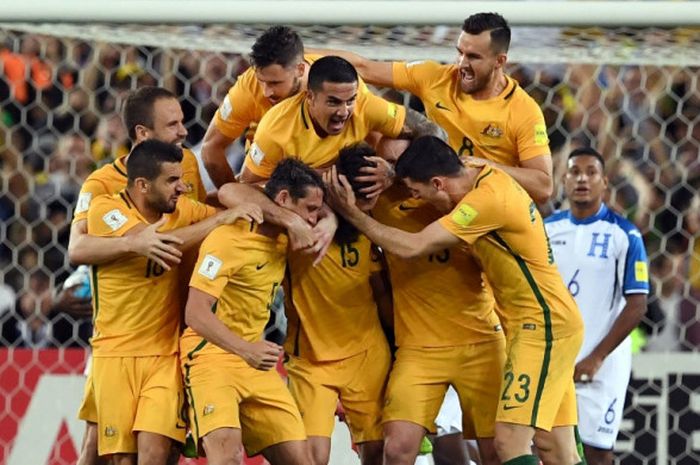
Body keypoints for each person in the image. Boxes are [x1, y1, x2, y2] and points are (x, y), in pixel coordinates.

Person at [325, 136, 584, 465]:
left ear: (437, 182)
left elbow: (414, 246)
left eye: (419, 192)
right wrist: (394, 174)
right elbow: (460, 163)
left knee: (508, 443)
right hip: (543, 323)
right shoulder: (474, 170)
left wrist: (356, 216)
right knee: (557, 450)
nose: (417, 201)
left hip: (543, 327)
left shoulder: (484, 202)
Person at [84, 139, 260, 464]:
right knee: (122, 459)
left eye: (181, 179)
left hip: (164, 354)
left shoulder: (183, 210)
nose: (182, 188)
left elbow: (230, 219)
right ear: (141, 185)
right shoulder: (105, 209)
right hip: (114, 353)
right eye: (171, 181)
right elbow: (156, 243)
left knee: (156, 453)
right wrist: (220, 220)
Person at [339, 143, 503, 465]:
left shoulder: (461, 201)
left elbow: (414, 246)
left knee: (495, 450)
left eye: (396, 164)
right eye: (386, 164)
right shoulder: (378, 203)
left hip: (480, 340)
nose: (390, 172)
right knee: (398, 449)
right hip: (420, 348)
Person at [69, 85, 207, 465]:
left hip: (177, 329)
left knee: (163, 447)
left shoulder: (187, 166)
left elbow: (203, 216)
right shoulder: (101, 185)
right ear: (143, 133)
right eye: (173, 123)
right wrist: (135, 244)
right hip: (120, 335)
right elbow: (77, 248)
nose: (183, 130)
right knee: (97, 443)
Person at [311, 12, 553, 203]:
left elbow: (543, 186)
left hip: (485, 212)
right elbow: (363, 67)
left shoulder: (524, 110)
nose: (461, 64)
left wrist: (484, 165)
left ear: (500, 61)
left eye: (473, 57)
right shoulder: (435, 76)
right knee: (394, 141)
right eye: (459, 53)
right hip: (432, 203)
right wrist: (299, 58)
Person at [180, 159, 324, 465]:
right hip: (211, 357)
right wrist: (246, 350)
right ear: (284, 200)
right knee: (228, 458)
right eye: (310, 210)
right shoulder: (227, 240)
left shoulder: (284, 240)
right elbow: (195, 312)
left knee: (303, 461)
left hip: (255, 363)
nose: (313, 220)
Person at [283, 144, 392, 465]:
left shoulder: (370, 228)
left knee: (377, 453)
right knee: (313, 458)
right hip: (311, 360)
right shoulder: (298, 225)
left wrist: (397, 341)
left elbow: (381, 292)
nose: (369, 205)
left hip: (367, 355)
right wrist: (330, 212)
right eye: (361, 197)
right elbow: (237, 191)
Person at [543, 148, 649, 465]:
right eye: (575, 172)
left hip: (601, 365)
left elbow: (638, 304)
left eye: (591, 173)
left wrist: (597, 357)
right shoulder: (547, 230)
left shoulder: (625, 235)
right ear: (564, 180)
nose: (582, 179)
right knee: (547, 448)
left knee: (597, 452)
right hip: (556, 360)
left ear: (604, 182)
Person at [239, 55, 444, 184]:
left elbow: (431, 130)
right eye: (334, 102)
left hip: (358, 199)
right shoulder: (275, 129)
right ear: (310, 96)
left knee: (398, 144)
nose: (344, 111)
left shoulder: (365, 106)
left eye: (350, 100)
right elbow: (247, 187)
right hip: (300, 204)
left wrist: (394, 171)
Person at [201, 26, 314, 187]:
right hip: (262, 177)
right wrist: (238, 198)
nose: (266, 92)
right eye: (261, 80)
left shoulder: (330, 83)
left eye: (275, 83)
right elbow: (211, 148)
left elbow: (363, 67)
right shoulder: (247, 89)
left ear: (300, 70)